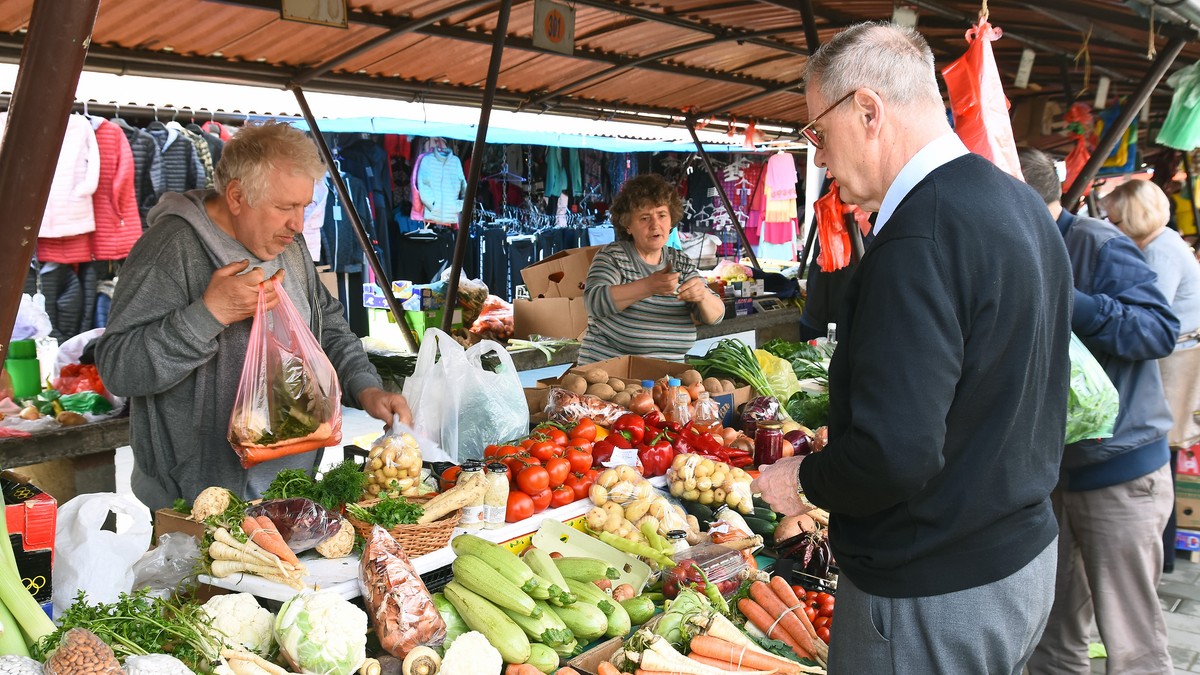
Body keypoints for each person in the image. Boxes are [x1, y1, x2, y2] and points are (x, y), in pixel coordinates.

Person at [752, 23, 1074, 673]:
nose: (821, 159)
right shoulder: (1017, 204)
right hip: (1019, 560)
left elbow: (894, 455)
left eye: (817, 132)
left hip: (934, 589)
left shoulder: (917, 240)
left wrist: (802, 479)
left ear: (867, 110)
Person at [96, 122, 411, 513]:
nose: (298, 224)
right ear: (236, 196)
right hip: (194, 505)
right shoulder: (171, 249)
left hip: (292, 488)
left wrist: (367, 388)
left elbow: (326, 323)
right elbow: (118, 368)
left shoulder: (288, 246)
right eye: (284, 208)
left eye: (304, 206)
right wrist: (209, 315)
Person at [1020, 148, 1179, 675]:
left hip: (1121, 473)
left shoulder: (1097, 244)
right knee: (1052, 633)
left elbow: (1159, 330)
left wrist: (1075, 302)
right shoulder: (1011, 248)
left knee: (1131, 641)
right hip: (1050, 474)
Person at [577, 174, 725, 363]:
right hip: (610, 378)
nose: (655, 225)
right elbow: (594, 302)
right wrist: (649, 286)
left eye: (662, 215)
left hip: (665, 382)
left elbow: (716, 316)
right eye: (644, 218)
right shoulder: (613, 256)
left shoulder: (680, 261)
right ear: (628, 225)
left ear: (671, 220)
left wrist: (702, 295)